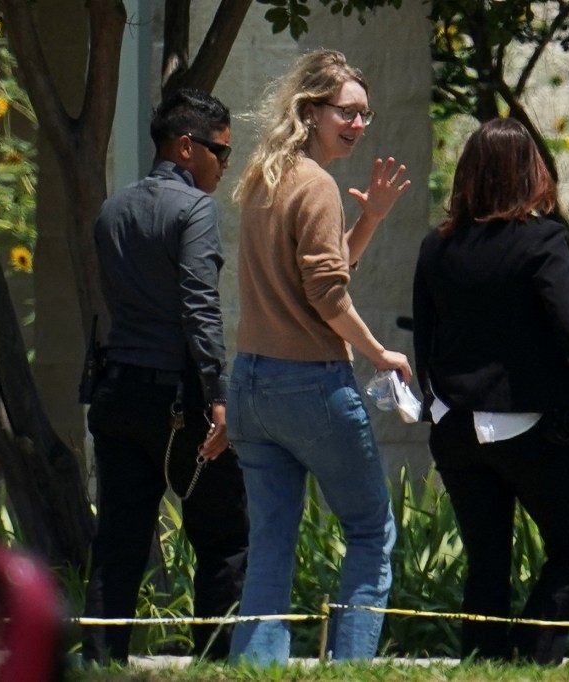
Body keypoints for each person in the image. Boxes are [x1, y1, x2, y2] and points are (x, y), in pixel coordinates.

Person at [226, 49, 412, 666]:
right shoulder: (317, 185)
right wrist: (380, 352)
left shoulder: (264, 178)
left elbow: (322, 275)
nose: (359, 125)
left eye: (366, 115)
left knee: (271, 544)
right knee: (369, 532)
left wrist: (371, 220)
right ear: (310, 110)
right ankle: (352, 669)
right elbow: (328, 295)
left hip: (251, 383)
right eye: (347, 113)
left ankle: (253, 671)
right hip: (309, 384)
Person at [411, 117, 569, 665]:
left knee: (487, 562)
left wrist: (437, 404)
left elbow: (425, 341)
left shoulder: (437, 246)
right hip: (527, 428)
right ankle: (533, 655)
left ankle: (483, 662)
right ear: (530, 173)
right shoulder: (543, 239)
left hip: (454, 427)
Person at [82, 89, 249, 665]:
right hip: (178, 400)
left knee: (119, 542)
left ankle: (101, 663)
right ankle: (215, 663)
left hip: (116, 393)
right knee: (223, 537)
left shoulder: (113, 208)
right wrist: (220, 396)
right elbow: (200, 306)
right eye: (221, 152)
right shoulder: (194, 210)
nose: (225, 165)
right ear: (186, 146)